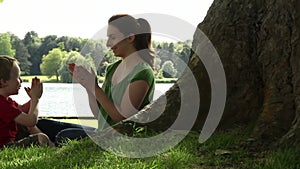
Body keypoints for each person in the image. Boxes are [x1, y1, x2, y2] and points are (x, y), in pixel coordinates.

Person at [37, 14, 155, 144]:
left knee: (64, 136)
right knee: (42, 124)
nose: (108, 43)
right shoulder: (112, 68)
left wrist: (95, 88)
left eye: (113, 37)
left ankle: (51, 146)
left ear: (130, 38)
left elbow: (123, 120)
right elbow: (100, 115)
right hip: (101, 131)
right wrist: (89, 88)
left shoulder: (143, 73)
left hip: (116, 139)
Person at [0, 55, 52, 149]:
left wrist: (33, 98)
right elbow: (31, 121)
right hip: (5, 147)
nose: (21, 81)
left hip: (12, 139)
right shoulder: (2, 104)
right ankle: (53, 149)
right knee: (41, 138)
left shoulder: (6, 101)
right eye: (18, 77)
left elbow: (22, 110)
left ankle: (54, 147)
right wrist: (35, 99)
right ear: (4, 82)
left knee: (29, 128)